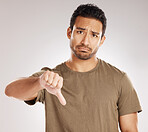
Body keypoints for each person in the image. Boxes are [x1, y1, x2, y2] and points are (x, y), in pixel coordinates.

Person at [5, 3, 142, 132]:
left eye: (94, 35)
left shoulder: (119, 79)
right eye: (80, 32)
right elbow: (10, 90)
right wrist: (39, 82)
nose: (85, 41)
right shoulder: (50, 78)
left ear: (102, 40)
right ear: (69, 33)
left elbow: (130, 129)